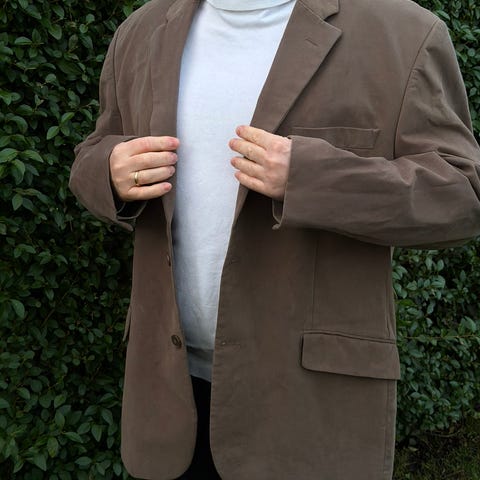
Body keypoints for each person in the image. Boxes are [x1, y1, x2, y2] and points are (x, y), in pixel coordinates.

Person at [69, 0, 480, 478]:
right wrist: (110, 173)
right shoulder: (140, 31)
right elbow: (94, 152)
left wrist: (311, 178)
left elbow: (462, 195)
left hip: (307, 405)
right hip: (171, 395)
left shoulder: (402, 32)